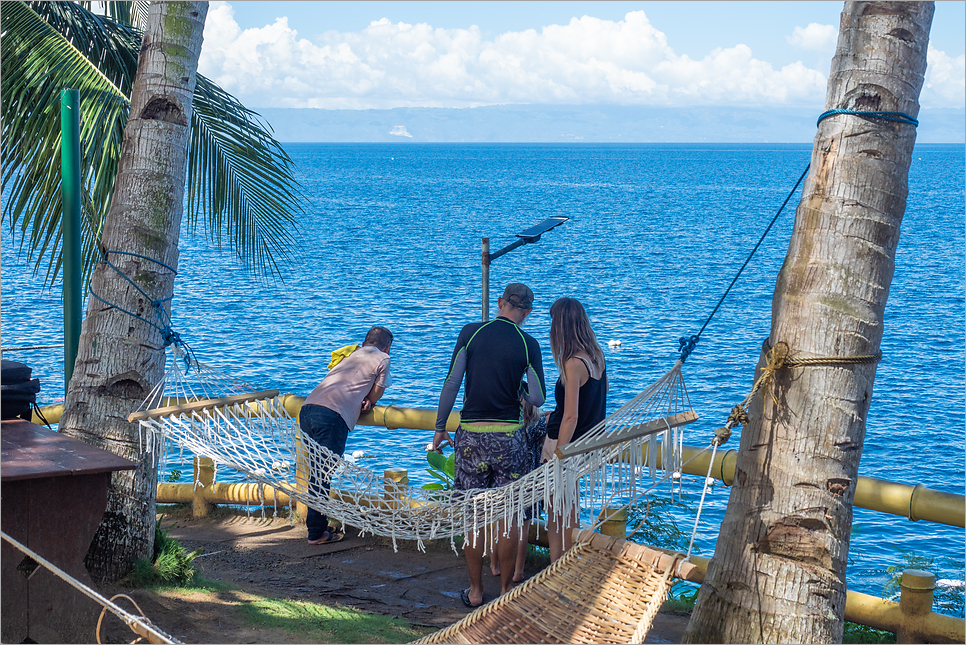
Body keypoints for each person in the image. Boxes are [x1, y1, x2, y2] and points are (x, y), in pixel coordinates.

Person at [433, 283, 546, 608]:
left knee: (474, 515)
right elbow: (537, 398)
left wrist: (440, 428)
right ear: (527, 312)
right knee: (510, 516)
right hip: (509, 438)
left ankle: (475, 591)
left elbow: (452, 382)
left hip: (470, 437)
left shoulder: (470, 333)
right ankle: (506, 592)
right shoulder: (528, 344)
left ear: (500, 303)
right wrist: (520, 393)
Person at [299, 326, 393, 545]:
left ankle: (318, 524)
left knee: (316, 471)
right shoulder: (383, 359)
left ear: (366, 340)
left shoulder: (351, 353)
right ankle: (316, 533)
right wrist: (370, 400)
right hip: (332, 416)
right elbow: (377, 392)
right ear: (387, 347)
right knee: (322, 475)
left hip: (308, 409)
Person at [543, 297, 607, 562]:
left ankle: (557, 569)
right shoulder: (597, 358)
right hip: (585, 446)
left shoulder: (572, 364)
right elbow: (594, 401)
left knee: (556, 515)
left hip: (565, 447)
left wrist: (558, 454)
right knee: (570, 511)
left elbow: (570, 416)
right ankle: (566, 566)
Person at [489, 398, 547, 583]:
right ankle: (518, 572)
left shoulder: (508, 424)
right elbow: (552, 421)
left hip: (507, 478)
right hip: (530, 483)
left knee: (501, 524)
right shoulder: (537, 426)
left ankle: (494, 565)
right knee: (523, 528)